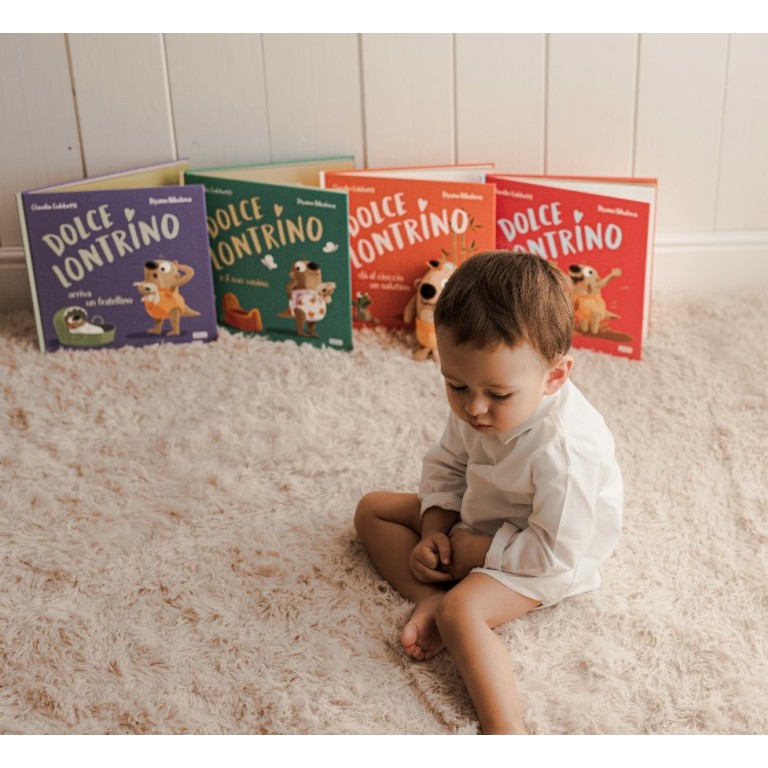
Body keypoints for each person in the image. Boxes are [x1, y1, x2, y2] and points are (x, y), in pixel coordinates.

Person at [354, 250, 623, 735]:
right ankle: (426, 597)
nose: (474, 408)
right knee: (372, 509)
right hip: (479, 514)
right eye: (455, 385)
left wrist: (475, 552)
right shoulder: (477, 395)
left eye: (497, 395)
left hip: (542, 554)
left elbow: (556, 553)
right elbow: (448, 464)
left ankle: (505, 732)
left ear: (554, 376)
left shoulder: (567, 450)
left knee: (461, 612)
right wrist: (434, 531)